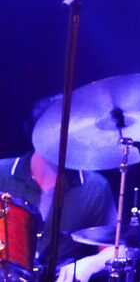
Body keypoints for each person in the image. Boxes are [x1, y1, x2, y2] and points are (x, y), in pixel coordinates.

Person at [0, 101, 117, 282]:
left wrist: (90, 264)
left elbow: (115, 248)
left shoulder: (95, 186)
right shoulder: (3, 172)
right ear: (36, 133)